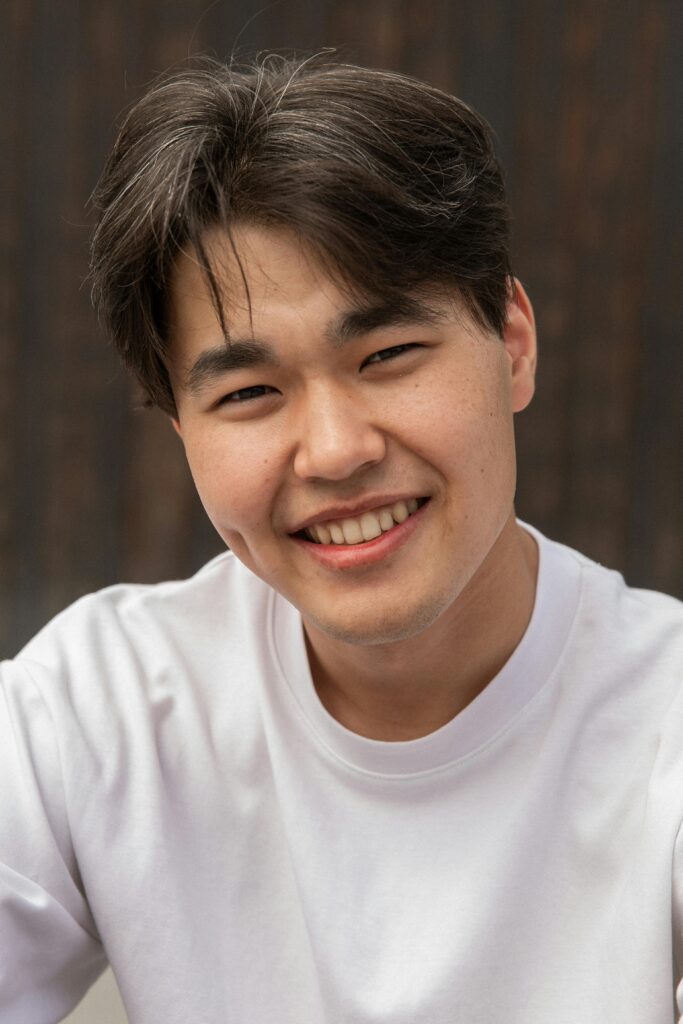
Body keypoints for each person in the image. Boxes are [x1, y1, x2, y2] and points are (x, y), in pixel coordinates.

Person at [1, 53, 682, 1024]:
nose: (332, 450)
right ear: (181, 431)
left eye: (388, 354)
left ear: (513, 342)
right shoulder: (101, 711)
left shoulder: (663, 726)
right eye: (247, 394)